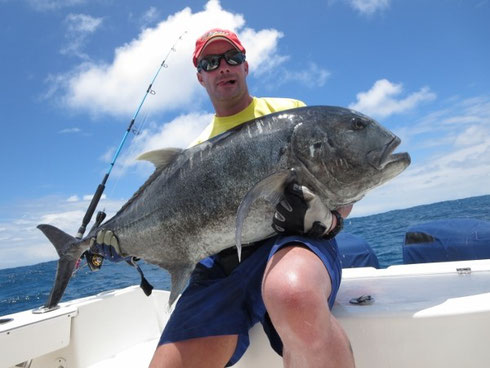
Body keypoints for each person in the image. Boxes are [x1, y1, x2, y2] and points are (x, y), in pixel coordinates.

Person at [149, 28, 355, 368]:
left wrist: (329, 219)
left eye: (233, 58)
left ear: (246, 66)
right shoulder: (194, 154)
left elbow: (341, 187)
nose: (223, 67)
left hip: (294, 241)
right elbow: (184, 230)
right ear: (201, 77)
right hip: (224, 263)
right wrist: (119, 244)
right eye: (211, 62)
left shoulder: (291, 114)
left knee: (293, 294)